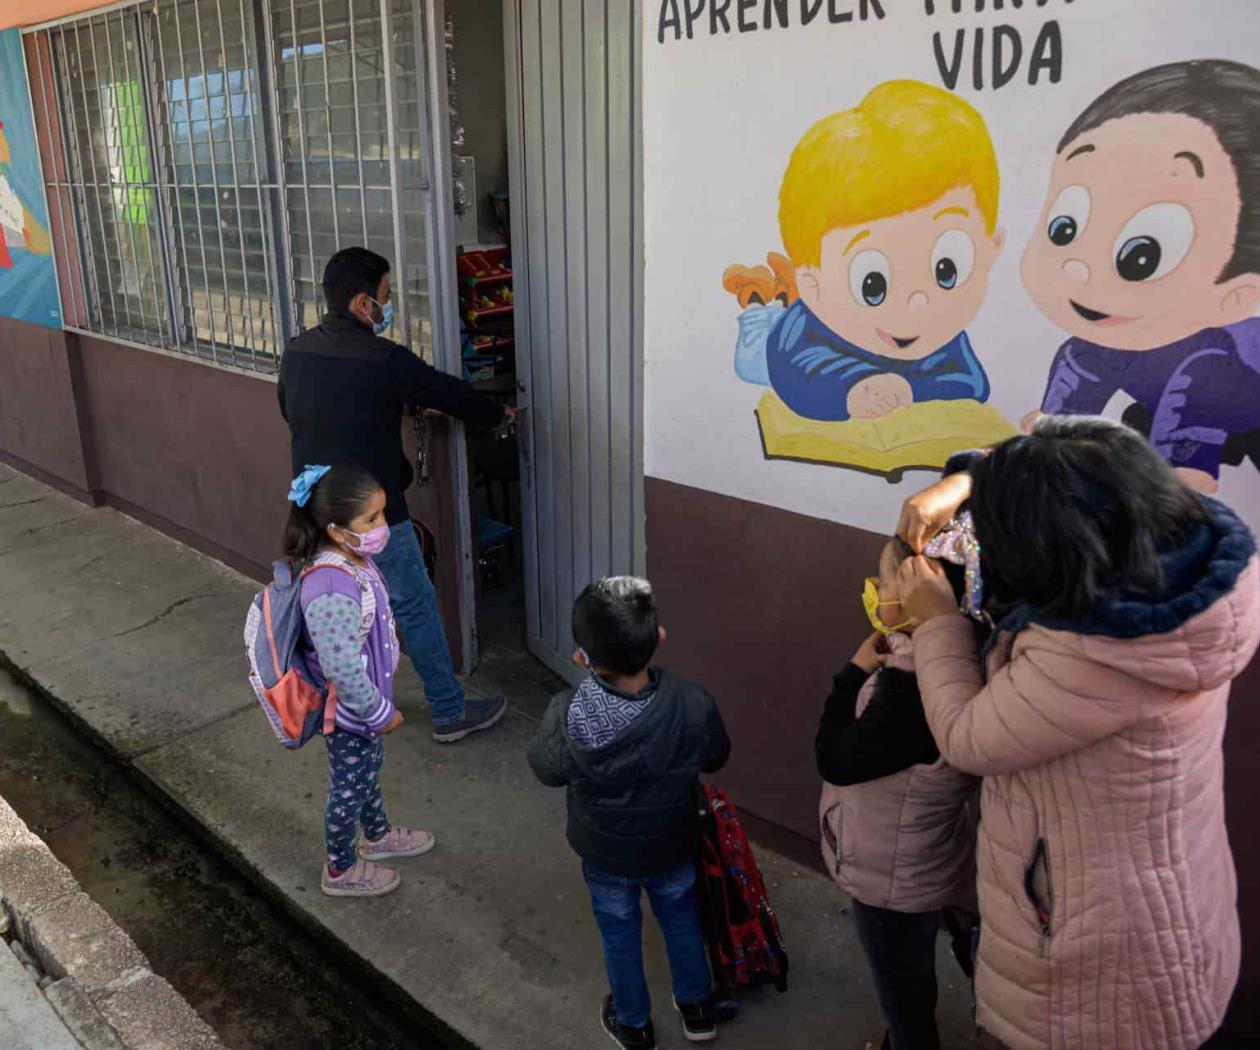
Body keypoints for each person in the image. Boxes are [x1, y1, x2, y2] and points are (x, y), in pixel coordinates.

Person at [895, 416, 1260, 1050]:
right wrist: (968, 478)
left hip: (1094, 979)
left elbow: (965, 735)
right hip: (1174, 911)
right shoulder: (1182, 549)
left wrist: (936, 623)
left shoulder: (1091, 656)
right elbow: (1067, 451)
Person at [279, 247, 511, 742]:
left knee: (331, 608)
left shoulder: (296, 352)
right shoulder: (383, 360)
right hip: (370, 515)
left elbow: (290, 413)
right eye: (386, 297)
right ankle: (449, 712)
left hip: (314, 510)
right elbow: (451, 393)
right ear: (364, 304)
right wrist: (499, 415)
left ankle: (333, 705)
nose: (388, 308)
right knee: (412, 605)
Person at [1019, 59, 1260, 494]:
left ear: (1238, 295)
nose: (1079, 268)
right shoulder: (1091, 347)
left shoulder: (1209, 368)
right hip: (1159, 405)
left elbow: (1186, 488)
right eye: (1064, 228)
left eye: (1142, 256)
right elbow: (1051, 432)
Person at [526, 577, 731, 1048]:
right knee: (680, 917)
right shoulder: (691, 703)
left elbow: (546, 769)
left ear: (583, 656)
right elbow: (716, 756)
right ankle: (698, 1009)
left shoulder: (567, 713)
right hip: (671, 843)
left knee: (619, 932)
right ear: (659, 638)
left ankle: (634, 1025)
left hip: (605, 853)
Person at [723, 79, 1004, 421]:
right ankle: (760, 316)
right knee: (754, 360)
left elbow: (970, 384)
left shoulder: (941, 336)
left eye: (946, 271)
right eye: (873, 285)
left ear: (991, 251)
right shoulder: (802, 331)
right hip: (772, 343)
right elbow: (796, 373)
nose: (917, 302)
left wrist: (910, 392)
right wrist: (853, 389)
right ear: (812, 285)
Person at [816, 536, 980, 1050]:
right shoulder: (965, 659)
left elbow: (834, 759)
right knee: (915, 966)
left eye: (883, 583)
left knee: (901, 988)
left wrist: (852, 674)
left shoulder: (908, 696)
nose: (874, 591)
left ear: (914, 600)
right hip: (924, 855)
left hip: (890, 877)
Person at [283, 464, 437, 898]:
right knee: (349, 788)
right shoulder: (331, 585)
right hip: (352, 713)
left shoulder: (354, 560)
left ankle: (378, 834)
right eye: (370, 520)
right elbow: (343, 667)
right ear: (336, 530)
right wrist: (378, 712)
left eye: (381, 515)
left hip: (364, 707)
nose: (381, 527)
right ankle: (341, 868)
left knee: (367, 774)